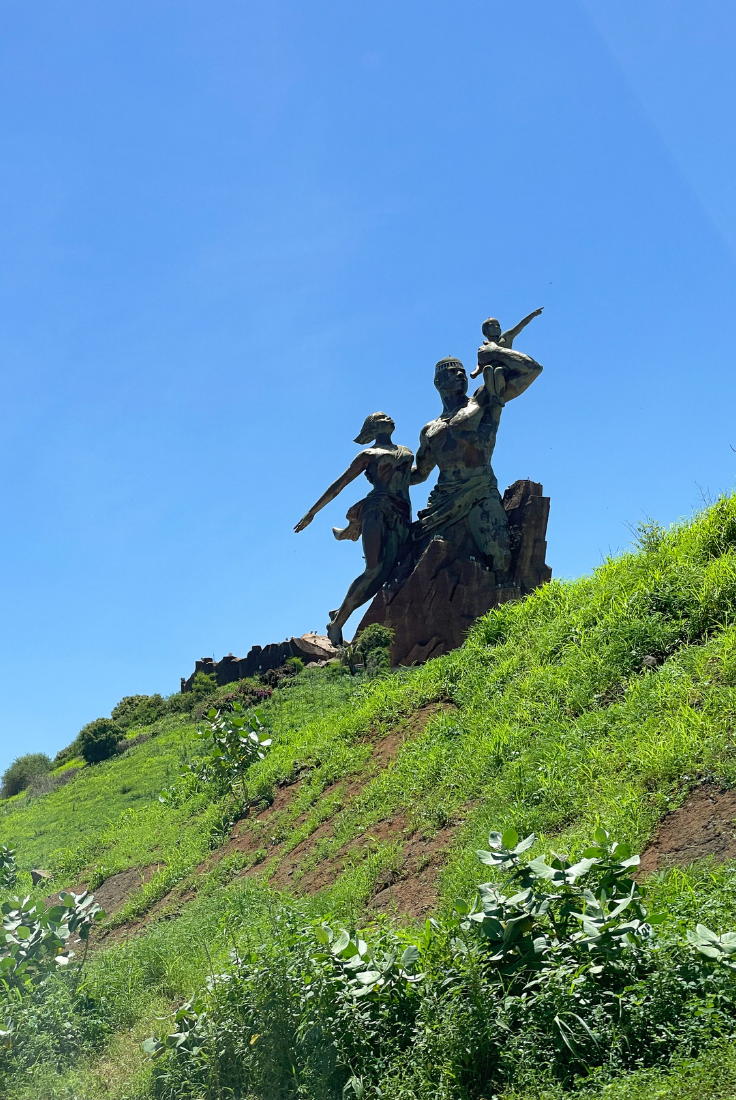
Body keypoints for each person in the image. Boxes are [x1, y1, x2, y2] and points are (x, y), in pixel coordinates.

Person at [411, 343, 542, 580]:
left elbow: (532, 369)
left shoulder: (484, 398)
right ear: (438, 382)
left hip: (480, 492)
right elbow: (420, 473)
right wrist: (386, 475)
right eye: (452, 372)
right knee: (417, 563)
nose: (460, 375)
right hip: (441, 503)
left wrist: (496, 352)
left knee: (500, 557)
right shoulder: (429, 429)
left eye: (462, 371)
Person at [294, 412, 413, 645]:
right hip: (376, 509)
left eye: (389, 417)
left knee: (387, 572)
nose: (389, 419)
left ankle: (339, 612)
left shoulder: (406, 451)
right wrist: (312, 512)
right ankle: (337, 624)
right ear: (372, 428)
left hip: (402, 512)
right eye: (382, 418)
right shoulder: (368, 454)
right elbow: (340, 484)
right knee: (374, 569)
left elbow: (414, 477)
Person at [470, 307, 543, 380]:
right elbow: (480, 364)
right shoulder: (485, 347)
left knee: (499, 371)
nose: (496, 327)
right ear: (485, 332)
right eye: (492, 325)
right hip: (491, 370)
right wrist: (475, 372)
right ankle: (491, 385)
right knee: (488, 369)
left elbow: (521, 325)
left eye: (498, 325)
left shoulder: (505, 338)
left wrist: (533, 315)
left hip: (506, 369)